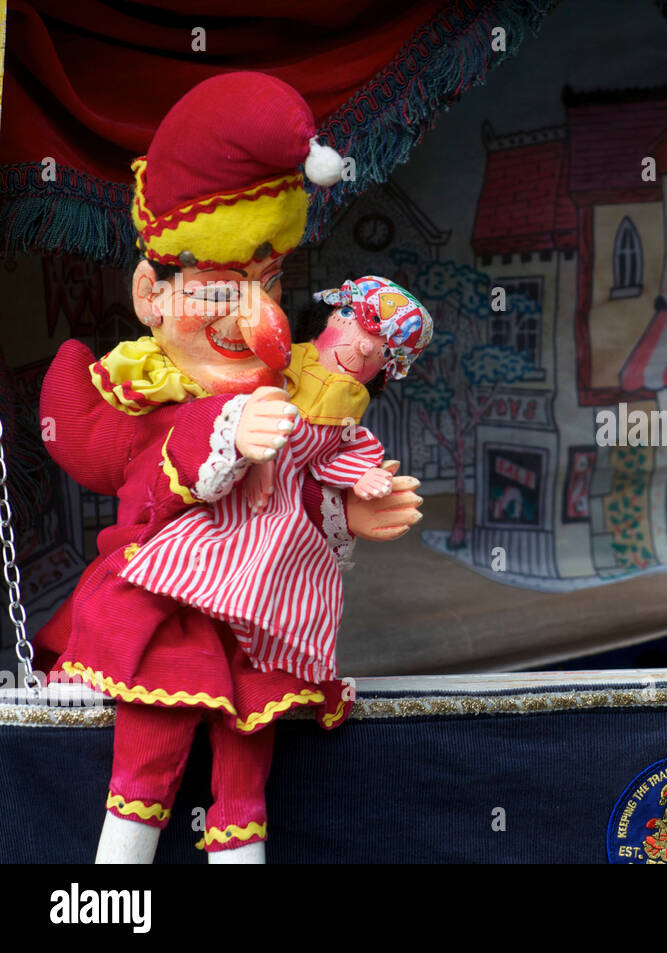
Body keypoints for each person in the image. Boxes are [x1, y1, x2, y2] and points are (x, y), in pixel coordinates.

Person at [36, 72, 422, 863]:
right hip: (164, 607)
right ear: (152, 294)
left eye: (271, 281)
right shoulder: (156, 396)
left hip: (256, 617)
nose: (258, 317)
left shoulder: (294, 396)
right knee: (155, 731)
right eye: (222, 293)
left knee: (251, 750)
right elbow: (133, 478)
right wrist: (224, 431)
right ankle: (118, 879)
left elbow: (291, 492)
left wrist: (349, 512)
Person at [120, 276, 434, 685]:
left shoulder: (347, 412)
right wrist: (249, 446)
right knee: (184, 584)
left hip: (284, 517)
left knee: (290, 594)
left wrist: (360, 477)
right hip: (226, 496)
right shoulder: (277, 364)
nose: (361, 347)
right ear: (325, 316)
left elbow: (327, 461)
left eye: (381, 350)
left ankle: (261, 661)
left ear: (386, 370)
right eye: (349, 319)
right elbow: (234, 400)